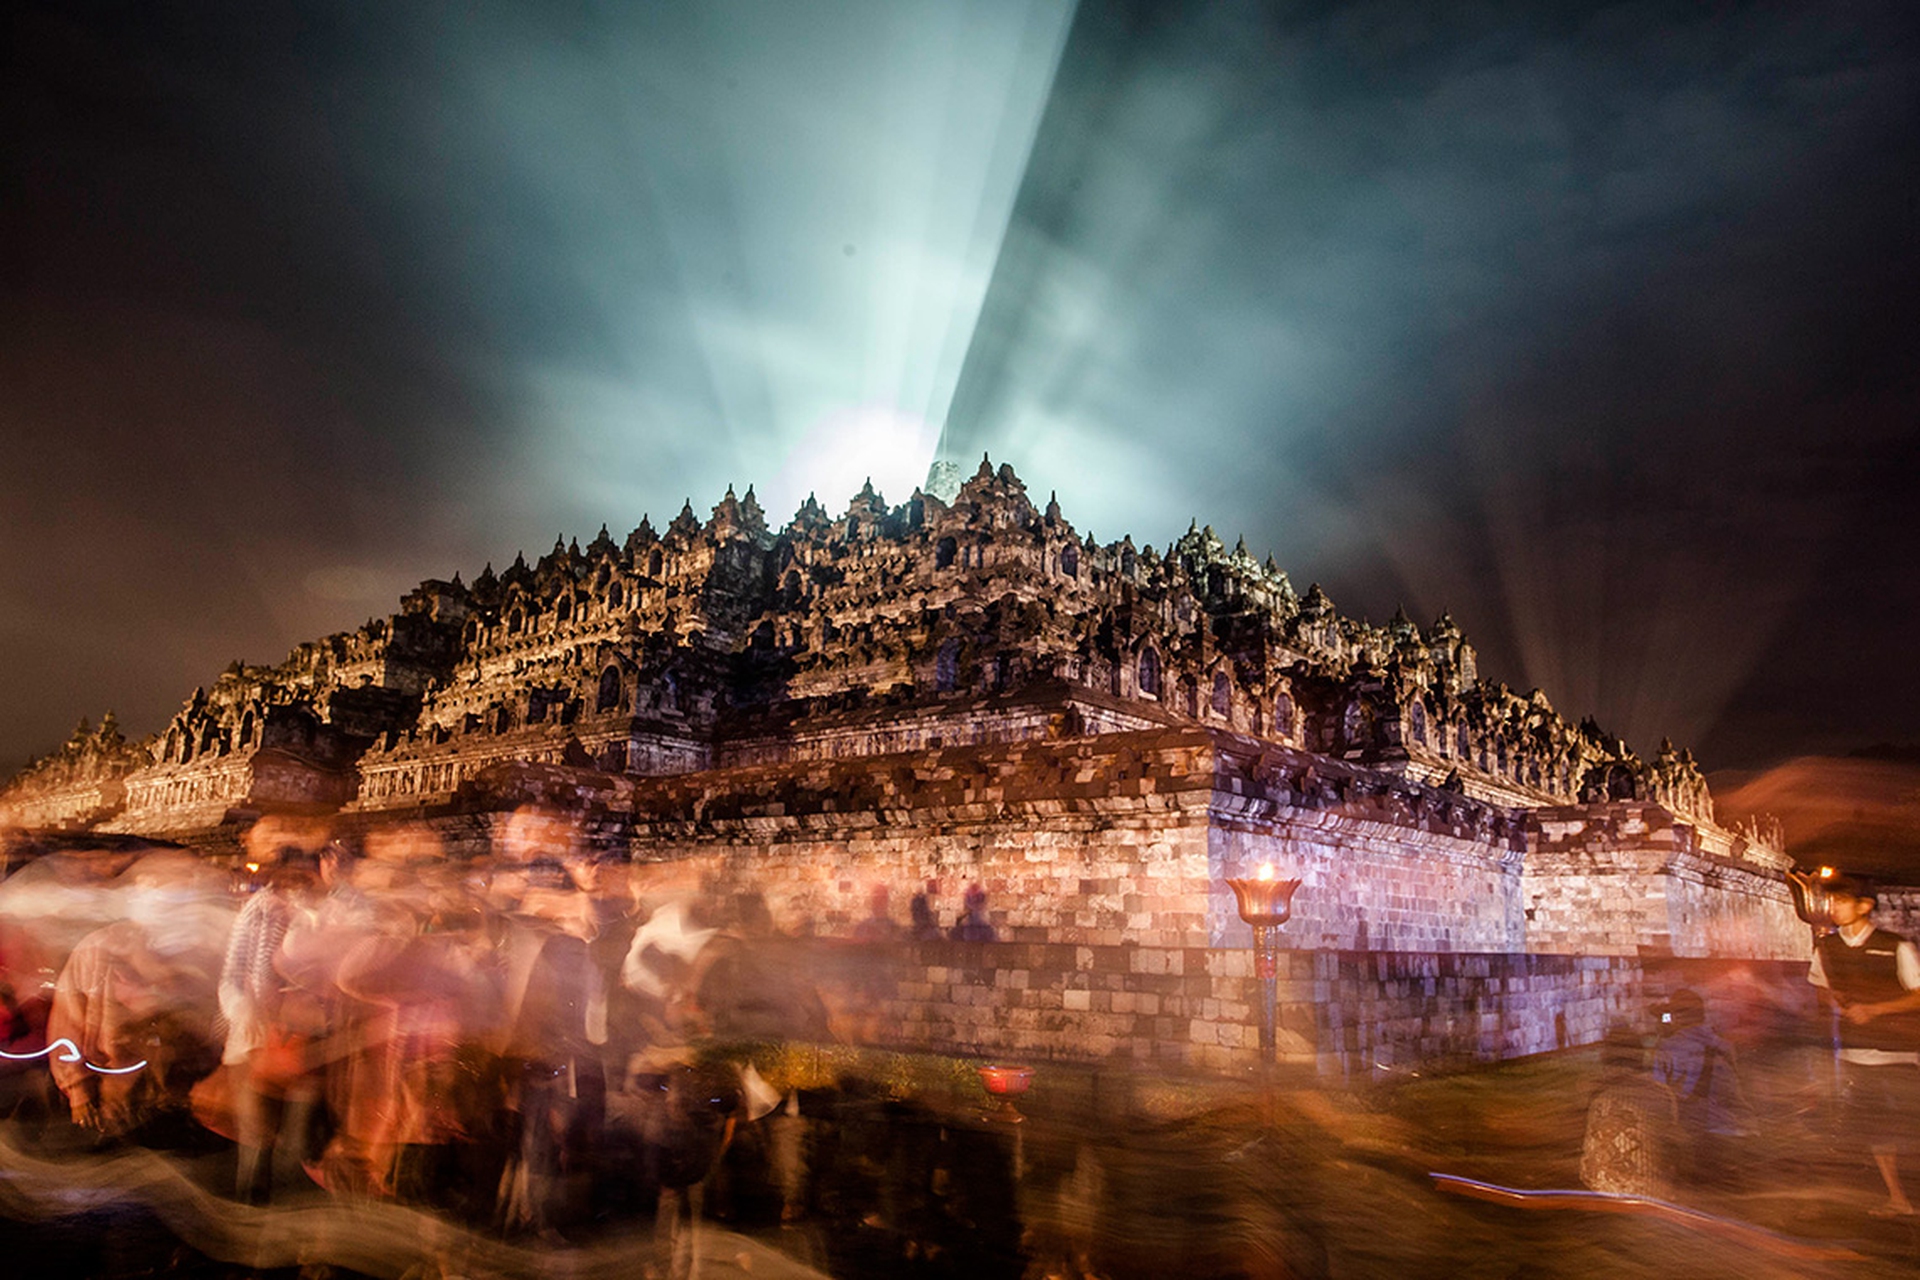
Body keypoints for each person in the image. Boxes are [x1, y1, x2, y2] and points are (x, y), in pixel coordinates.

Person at [1806, 873, 1920, 1218]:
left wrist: (1875, 1010)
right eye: (1832, 901)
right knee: (1875, 1127)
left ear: (1864, 906)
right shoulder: (1826, 948)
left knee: (1907, 1124)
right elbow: (1821, 988)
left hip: (1898, 1052)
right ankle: (1897, 1198)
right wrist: (1837, 1005)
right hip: (1856, 1053)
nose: (1833, 908)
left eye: (1841, 901)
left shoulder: (1895, 946)